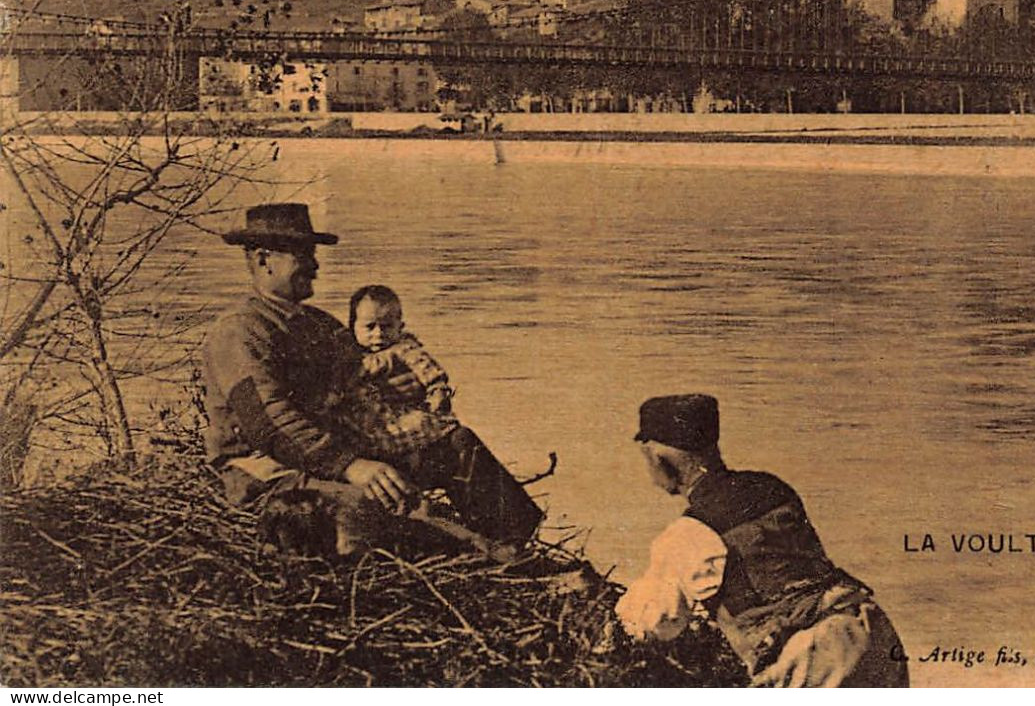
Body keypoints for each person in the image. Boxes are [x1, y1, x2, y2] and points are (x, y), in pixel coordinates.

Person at [199, 202, 542, 549]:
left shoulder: (320, 325)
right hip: (269, 470)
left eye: (313, 253)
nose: (315, 265)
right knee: (373, 508)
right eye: (303, 254)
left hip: (337, 452)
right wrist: (351, 466)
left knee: (457, 446)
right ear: (262, 259)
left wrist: (400, 389)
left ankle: (518, 546)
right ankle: (485, 557)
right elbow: (269, 424)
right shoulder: (239, 332)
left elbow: (361, 377)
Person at [615, 394, 908, 687]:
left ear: (659, 459)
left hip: (815, 657)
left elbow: (656, 623)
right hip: (871, 630)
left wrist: (612, 601)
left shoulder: (688, 532)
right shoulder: (774, 489)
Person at [320, 285, 460, 458]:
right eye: (369, 327)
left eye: (387, 326)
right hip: (366, 420)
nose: (378, 334)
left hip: (397, 417)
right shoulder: (346, 352)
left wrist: (437, 394)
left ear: (400, 327)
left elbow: (429, 371)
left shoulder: (403, 350)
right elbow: (337, 380)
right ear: (352, 327)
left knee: (420, 427)